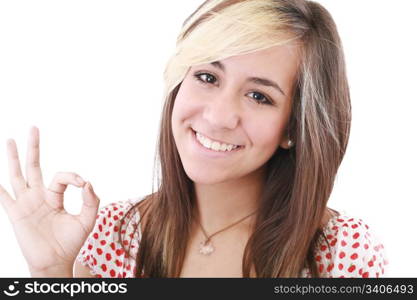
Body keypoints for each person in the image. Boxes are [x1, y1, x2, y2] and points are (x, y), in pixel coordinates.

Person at [0, 0, 388, 278]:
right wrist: (50, 272)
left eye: (259, 96)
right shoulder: (116, 232)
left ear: (292, 128)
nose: (218, 116)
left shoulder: (340, 252)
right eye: (207, 77)